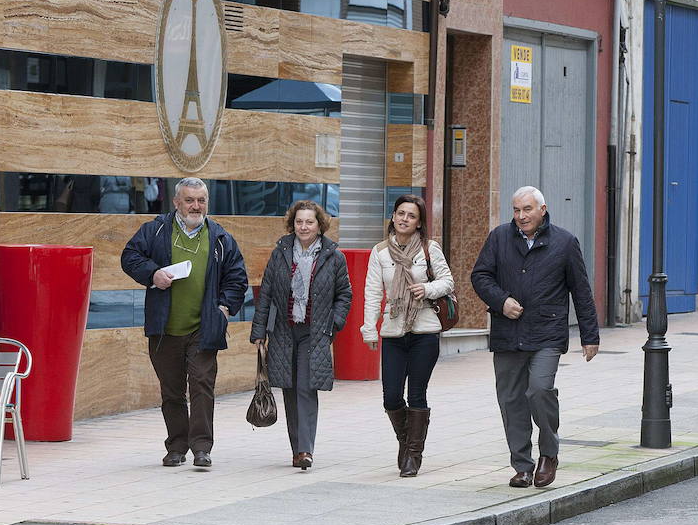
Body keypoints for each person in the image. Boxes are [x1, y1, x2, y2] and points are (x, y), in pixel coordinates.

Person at [471, 186, 600, 488]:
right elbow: (480, 276)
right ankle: (522, 465)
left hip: (547, 333)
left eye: (527, 209)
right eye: (516, 210)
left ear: (543, 209)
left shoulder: (565, 243)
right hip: (507, 333)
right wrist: (501, 301)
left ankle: (549, 454)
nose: (521, 216)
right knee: (511, 399)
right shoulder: (499, 237)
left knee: (540, 390)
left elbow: (581, 291)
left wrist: (589, 335)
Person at [121, 177, 247, 468]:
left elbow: (237, 278)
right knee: (172, 390)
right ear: (176, 202)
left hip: (203, 327)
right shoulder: (156, 230)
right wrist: (153, 274)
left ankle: (202, 447)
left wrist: (225, 308)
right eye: (189, 200)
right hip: (165, 328)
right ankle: (176, 446)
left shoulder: (220, 237)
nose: (196, 206)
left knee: (202, 385)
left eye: (201, 200)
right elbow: (129, 257)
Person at [250, 200, 352, 470]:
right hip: (284, 331)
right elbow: (267, 294)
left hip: (314, 332)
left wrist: (334, 323)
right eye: (299, 222)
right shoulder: (281, 253)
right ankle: (297, 448)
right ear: (292, 224)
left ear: (319, 225)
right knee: (289, 389)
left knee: (306, 387)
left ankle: (306, 449)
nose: (303, 226)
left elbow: (345, 294)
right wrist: (259, 332)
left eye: (309, 222)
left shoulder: (333, 256)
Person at [361, 194, 454, 477]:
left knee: (416, 393)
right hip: (393, 330)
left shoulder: (429, 249)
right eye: (400, 213)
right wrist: (368, 328)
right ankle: (406, 441)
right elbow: (373, 292)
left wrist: (426, 289)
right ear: (392, 217)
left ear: (418, 223)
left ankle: (413, 455)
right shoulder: (380, 253)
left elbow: (448, 281)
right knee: (390, 396)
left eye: (411, 216)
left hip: (424, 330)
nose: (404, 219)